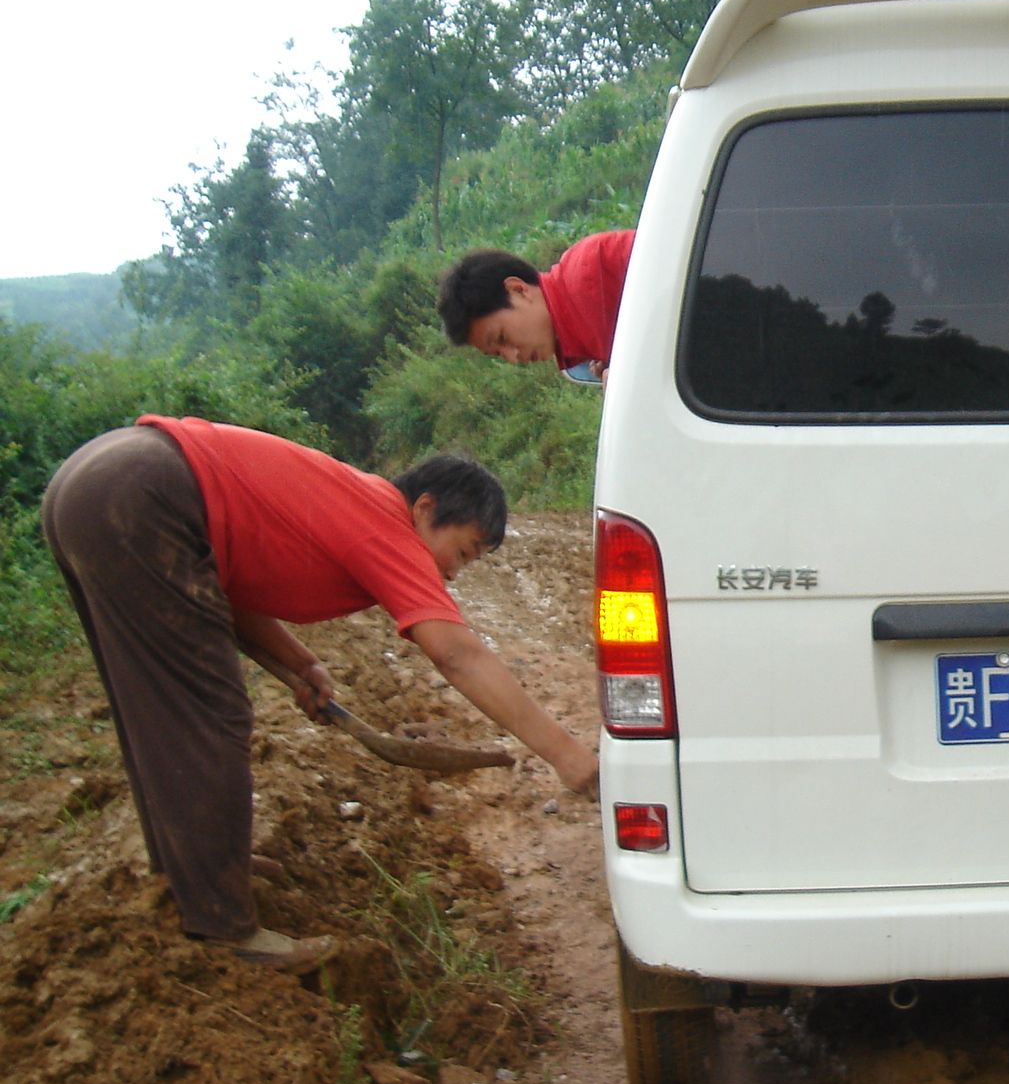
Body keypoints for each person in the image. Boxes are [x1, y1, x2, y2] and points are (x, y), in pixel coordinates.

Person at [40, 417, 600, 977]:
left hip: (100, 483)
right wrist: (566, 755)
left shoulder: (357, 505)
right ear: (425, 508)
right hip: (141, 493)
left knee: (156, 710)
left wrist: (298, 663)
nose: (454, 574)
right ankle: (223, 922)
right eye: (464, 551)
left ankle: (198, 870)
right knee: (208, 713)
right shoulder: (386, 524)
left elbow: (222, 589)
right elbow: (457, 654)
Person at [437, 230, 635, 379]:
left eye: (503, 338)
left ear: (518, 290)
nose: (514, 358)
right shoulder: (580, 347)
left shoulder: (600, 263)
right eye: (499, 354)